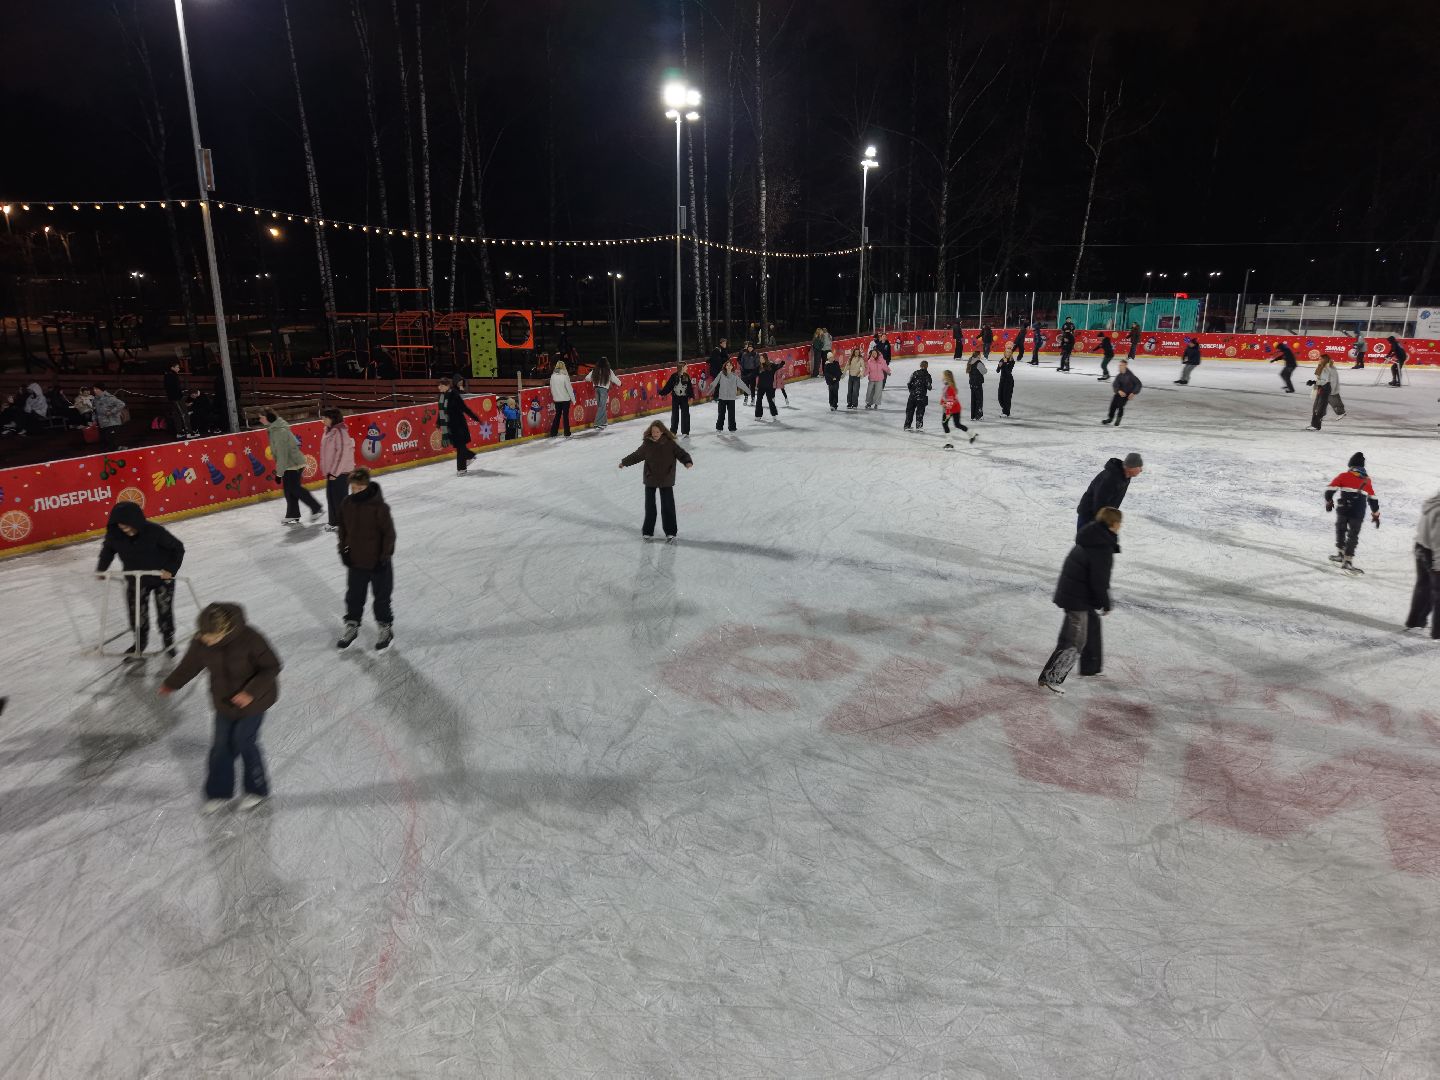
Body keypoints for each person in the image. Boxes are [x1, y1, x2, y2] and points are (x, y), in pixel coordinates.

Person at [160, 602, 281, 814]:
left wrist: (250, 692)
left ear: (226, 631)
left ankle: (257, 790)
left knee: (244, 741)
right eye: (204, 636)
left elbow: (272, 666)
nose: (207, 641)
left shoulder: (250, 638)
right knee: (221, 746)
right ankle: (218, 792)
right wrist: (171, 683)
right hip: (223, 701)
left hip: (254, 701)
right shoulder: (202, 641)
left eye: (212, 638)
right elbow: (189, 665)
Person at [1039, 506, 1122, 693]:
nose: (1120, 526)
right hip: (1077, 598)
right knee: (1074, 641)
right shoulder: (1102, 546)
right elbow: (1099, 581)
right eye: (1119, 523)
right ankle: (1052, 678)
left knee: (1075, 635)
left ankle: (1085, 669)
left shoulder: (1092, 536)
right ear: (1113, 523)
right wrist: (1105, 603)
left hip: (1074, 593)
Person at [96, 501, 185, 658]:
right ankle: (140, 642)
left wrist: (170, 569)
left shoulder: (154, 531)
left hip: (161, 577)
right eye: (121, 526)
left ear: (136, 521)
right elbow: (107, 551)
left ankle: (168, 639)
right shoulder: (115, 534)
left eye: (128, 525)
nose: (125, 529)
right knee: (137, 613)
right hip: (136, 579)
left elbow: (178, 548)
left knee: (164, 611)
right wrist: (101, 568)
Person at [337, 466, 397, 650]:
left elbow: (389, 534)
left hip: (378, 562)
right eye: (353, 488)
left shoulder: (379, 507)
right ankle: (352, 626)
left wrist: (384, 557)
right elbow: (343, 530)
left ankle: (385, 628)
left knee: (381, 598)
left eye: (360, 488)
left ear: (367, 485)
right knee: (354, 597)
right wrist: (343, 551)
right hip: (356, 561)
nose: (356, 491)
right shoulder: (347, 504)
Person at [619, 420, 693, 542]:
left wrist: (687, 461)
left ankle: (670, 532)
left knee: (668, 506)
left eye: (657, 432)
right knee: (650, 507)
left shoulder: (670, 443)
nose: (655, 434)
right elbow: (637, 455)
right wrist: (624, 462)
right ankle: (648, 532)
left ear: (662, 432)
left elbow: (681, 453)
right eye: (653, 431)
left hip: (666, 478)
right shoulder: (647, 444)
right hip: (651, 478)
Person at [264, 409, 322, 525]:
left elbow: (282, 454)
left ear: (268, 418)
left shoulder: (279, 431)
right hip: (289, 464)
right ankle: (293, 514)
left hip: (293, 464)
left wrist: (279, 474)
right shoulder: (274, 429)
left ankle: (316, 507)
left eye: (261, 417)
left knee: (295, 489)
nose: (260, 420)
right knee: (289, 491)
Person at [1325, 452, 1380, 575]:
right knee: (1353, 535)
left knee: (1341, 530)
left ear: (1351, 465)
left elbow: (1329, 491)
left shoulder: (1344, 476)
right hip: (1358, 512)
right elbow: (1373, 499)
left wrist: (1329, 501)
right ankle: (1347, 561)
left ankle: (1340, 554)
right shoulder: (1367, 480)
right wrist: (1376, 514)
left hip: (1343, 509)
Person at [1076, 453, 1143, 533]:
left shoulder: (1124, 476)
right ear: (1131, 468)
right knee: (1086, 540)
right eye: (1139, 467)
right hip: (1090, 517)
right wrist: (1101, 524)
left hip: (1102, 518)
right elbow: (1099, 502)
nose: (1141, 470)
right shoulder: (1111, 478)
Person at [1406, 488, 1440, 637]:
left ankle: (1415, 621)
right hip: (1433, 553)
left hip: (1420, 547)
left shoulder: (1432, 503)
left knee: (1423, 586)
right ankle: (1438, 632)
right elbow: (1438, 540)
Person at [319, 409, 355, 532]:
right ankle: (333, 522)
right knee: (331, 497)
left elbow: (342, 453)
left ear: (332, 418)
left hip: (341, 472)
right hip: (332, 472)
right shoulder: (328, 431)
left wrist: (334, 472)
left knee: (340, 498)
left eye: (325, 418)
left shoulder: (340, 431)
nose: (323, 420)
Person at [439, 377, 479, 469]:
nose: (439, 387)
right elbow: (441, 412)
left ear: (447, 386)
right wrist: (438, 423)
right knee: (460, 446)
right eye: (439, 385)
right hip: (451, 426)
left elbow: (464, 408)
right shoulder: (441, 397)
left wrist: (475, 417)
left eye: (441, 385)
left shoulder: (454, 394)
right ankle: (469, 456)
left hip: (459, 425)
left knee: (460, 446)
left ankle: (462, 468)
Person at [939, 370, 976, 446]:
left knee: (946, 424)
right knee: (956, 424)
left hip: (953, 409)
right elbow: (945, 397)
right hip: (952, 408)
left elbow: (950, 401)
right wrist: (942, 402)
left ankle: (949, 443)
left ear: (946, 377)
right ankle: (972, 434)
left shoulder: (950, 387)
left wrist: (948, 413)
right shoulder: (947, 386)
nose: (942, 377)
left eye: (943, 375)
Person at [586, 358, 622, 430]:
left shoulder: (595, 370)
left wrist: (594, 379)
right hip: (603, 390)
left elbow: (587, 378)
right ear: (606, 363)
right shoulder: (608, 370)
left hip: (596, 389)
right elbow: (614, 379)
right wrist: (620, 384)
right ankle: (597, 423)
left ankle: (604, 422)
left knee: (601, 406)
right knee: (602, 406)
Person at [1103, 360, 1142, 426]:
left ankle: (1118, 419)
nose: (1120, 366)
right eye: (1119, 365)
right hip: (1119, 393)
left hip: (1126, 394)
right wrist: (1118, 391)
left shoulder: (1131, 375)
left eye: (1121, 365)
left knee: (1120, 405)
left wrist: (1133, 393)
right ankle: (1110, 418)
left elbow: (1138, 384)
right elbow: (1115, 384)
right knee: (1113, 405)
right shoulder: (1119, 375)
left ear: (1125, 366)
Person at [1306, 354, 1339, 431]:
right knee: (1317, 407)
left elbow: (1325, 381)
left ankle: (1316, 425)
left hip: (1325, 388)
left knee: (1319, 407)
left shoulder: (1326, 368)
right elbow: (1321, 379)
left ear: (1325, 359)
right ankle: (1315, 424)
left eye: (1320, 359)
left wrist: (1314, 382)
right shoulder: (1322, 367)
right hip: (1322, 387)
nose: (1319, 360)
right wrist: (1314, 382)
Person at [660, 362, 693, 436]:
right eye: (686, 367)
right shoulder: (674, 376)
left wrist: (691, 397)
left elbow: (689, 387)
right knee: (675, 414)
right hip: (675, 398)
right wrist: (662, 393)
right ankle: (673, 431)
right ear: (682, 367)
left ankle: (685, 431)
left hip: (684, 398)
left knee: (685, 414)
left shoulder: (686, 376)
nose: (687, 368)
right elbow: (668, 386)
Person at [164, 360, 192, 438]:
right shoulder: (173, 376)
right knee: (184, 414)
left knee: (176, 415)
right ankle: (188, 432)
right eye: (177, 367)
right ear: (172, 367)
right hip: (177, 398)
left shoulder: (167, 375)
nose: (178, 369)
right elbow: (176, 388)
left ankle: (179, 432)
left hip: (172, 398)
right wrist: (181, 395)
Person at [714, 357, 741, 432]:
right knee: (721, 413)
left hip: (731, 398)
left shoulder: (734, 375)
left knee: (731, 414)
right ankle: (719, 428)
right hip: (722, 397)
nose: (729, 366)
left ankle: (732, 428)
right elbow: (716, 383)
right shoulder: (721, 374)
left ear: (732, 367)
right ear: (725, 366)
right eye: (727, 365)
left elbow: (739, 384)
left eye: (730, 365)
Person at [904, 360, 933, 430]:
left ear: (920, 366)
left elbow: (909, 383)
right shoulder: (927, 375)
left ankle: (907, 425)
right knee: (920, 411)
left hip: (912, 395)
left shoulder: (915, 373)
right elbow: (929, 387)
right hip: (921, 396)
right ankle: (919, 426)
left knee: (910, 411)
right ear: (927, 366)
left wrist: (911, 391)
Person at [549, 360, 574, 437]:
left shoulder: (553, 376)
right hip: (565, 399)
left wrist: (554, 397)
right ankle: (567, 432)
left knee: (557, 415)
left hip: (557, 399)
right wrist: (573, 399)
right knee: (565, 416)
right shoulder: (565, 376)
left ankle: (553, 432)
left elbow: (551, 388)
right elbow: (569, 389)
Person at [754, 354, 782, 420]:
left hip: (769, 387)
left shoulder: (771, 365)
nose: (761, 360)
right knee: (758, 400)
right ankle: (758, 415)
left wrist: (782, 363)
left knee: (770, 400)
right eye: (760, 358)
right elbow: (753, 374)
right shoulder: (759, 367)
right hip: (761, 387)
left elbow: (778, 366)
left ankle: (774, 414)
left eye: (762, 358)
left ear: (765, 358)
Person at [864, 342, 891, 409]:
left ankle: (876, 403)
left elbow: (885, 367)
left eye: (875, 353)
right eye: (872, 353)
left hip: (879, 379)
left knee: (878, 392)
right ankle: (869, 403)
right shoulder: (869, 361)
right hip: (872, 379)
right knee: (870, 392)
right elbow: (867, 369)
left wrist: (888, 371)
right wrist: (864, 374)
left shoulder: (881, 360)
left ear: (877, 354)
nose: (874, 354)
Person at [965, 351, 987, 420]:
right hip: (977, 383)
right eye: (980, 355)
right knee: (979, 400)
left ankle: (973, 416)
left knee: (973, 399)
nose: (981, 356)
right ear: (978, 355)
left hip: (972, 384)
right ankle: (979, 415)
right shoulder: (978, 363)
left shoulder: (970, 361)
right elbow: (984, 371)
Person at [997, 344, 1017, 417]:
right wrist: (999, 366)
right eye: (1007, 352)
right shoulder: (1002, 360)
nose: (1008, 353)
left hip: (1009, 381)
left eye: (1009, 352)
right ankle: (1005, 410)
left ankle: (1006, 412)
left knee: (1007, 397)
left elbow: (1008, 371)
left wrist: (1005, 363)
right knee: (1000, 397)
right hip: (1002, 380)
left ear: (1011, 353)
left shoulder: (1012, 361)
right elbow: (997, 371)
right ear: (1005, 353)